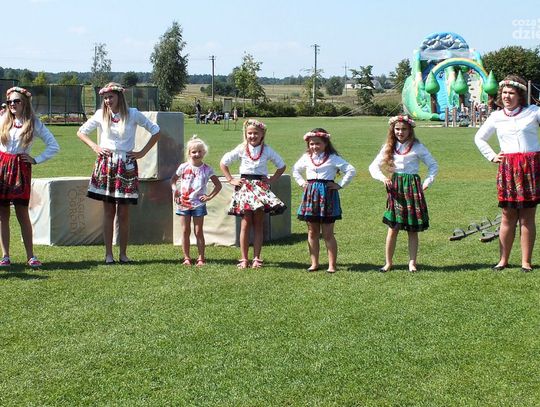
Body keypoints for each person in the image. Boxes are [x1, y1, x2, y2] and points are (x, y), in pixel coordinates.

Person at [77, 82, 161, 265]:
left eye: (111, 97)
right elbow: (81, 132)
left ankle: (123, 254)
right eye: (105, 98)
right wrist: (95, 147)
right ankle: (108, 254)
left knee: (123, 212)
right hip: (106, 164)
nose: (108, 101)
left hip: (126, 164)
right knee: (108, 211)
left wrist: (142, 153)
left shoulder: (133, 113)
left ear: (119, 97)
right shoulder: (101, 114)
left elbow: (156, 131)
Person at [474, 75, 540, 272]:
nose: (507, 96)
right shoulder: (496, 117)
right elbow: (479, 138)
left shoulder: (533, 112)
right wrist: (492, 156)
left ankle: (526, 262)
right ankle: (503, 260)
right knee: (507, 216)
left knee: (527, 217)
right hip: (509, 168)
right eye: (504, 93)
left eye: (511, 93)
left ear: (520, 95)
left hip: (530, 168)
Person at [369, 115, 438, 273]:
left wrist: (427, 182)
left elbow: (433, 165)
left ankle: (412, 263)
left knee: (412, 229)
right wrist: (383, 178)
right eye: (397, 129)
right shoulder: (389, 146)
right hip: (396, 188)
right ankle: (388, 262)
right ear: (392, 130)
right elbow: (373, 167)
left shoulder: (417, 147)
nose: (400, 132)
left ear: (410, 130)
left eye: (404, 129)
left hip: (412, 188)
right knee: (393, 227)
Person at [0, 86, 60, 268]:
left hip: (21, 168)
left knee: (22, 213)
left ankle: (30, 256)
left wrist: (36, 159)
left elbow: (53, 145)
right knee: (2, 214)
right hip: (2, 167)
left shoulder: (34, 123)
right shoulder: (3, 119)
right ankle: (5, 256)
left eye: (16, 101)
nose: (12, 104)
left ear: (24, 103)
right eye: (9, 101)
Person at [220, 119, 286, 269]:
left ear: (262, 134)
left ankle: (256, 258)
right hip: (245, 187)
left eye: (256, 133)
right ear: (245, 134)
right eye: (249, 133)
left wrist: (272, 179)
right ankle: (244, 258)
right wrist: (230, 179)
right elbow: (224, 162)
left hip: (260, 188)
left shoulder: (267, 150)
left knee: (258, 224)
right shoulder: (241, 148)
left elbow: (281, 165)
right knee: (245, 223)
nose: (252, 136)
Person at [292, 128, 356, 273]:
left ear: (325, 143)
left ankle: (332, 265)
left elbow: (350, 170)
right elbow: (295, 169)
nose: (314, 146)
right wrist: (302, 183)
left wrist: (340, 184)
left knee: (328, 233)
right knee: (312, 232)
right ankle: (314, 263)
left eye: (318, 143)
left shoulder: (333, 158)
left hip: (327, 195)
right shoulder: (306, 157)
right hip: (311, 195)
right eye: (311, 144)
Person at [171, 135, 222, 267]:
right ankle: (186, 257)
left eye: (200, 151)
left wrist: (209, 196)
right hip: (184, 203)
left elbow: (218, 185)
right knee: (185, 231)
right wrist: (175, 190)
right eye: (194, 152)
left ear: (204, 153)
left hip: (198, 204)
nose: (197, 154)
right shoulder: (183, 167)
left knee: (198, 231)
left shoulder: (207, 169)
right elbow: (173, 180)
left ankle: (201, 258)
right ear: (189, 153)